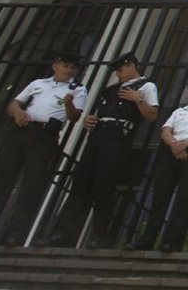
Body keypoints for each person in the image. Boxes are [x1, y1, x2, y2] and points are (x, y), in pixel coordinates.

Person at [0, 52, 86, 247]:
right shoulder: (38, 83)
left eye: (73, 67)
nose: (69, 70)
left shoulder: (77, 89)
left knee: (32, 184)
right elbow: (13, 104)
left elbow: (74, 117)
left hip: (45, 136)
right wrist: (18, 112)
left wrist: (69, 104)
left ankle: (15, 234)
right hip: (21, 131)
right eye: (66, 65)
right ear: (55, 65)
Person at [49, 52, 159, 248]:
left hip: (118, 135)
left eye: (121, 69)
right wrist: (91, 120)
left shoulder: (146, 86)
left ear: (132, 65)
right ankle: (64, 233)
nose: (118, 74)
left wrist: (137, 99)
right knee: (81, 182)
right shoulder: (111, 90)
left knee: (105, 184)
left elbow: (152, 115)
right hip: (99, 134)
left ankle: (98, 235)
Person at [132, 77, 188, 252]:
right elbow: (166, 131)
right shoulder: (180, 111)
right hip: (172, 151)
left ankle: (172, 242)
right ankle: (146, 240)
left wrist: (185, 145)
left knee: (185, 198)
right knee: (160, 197)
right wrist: (175, 145)